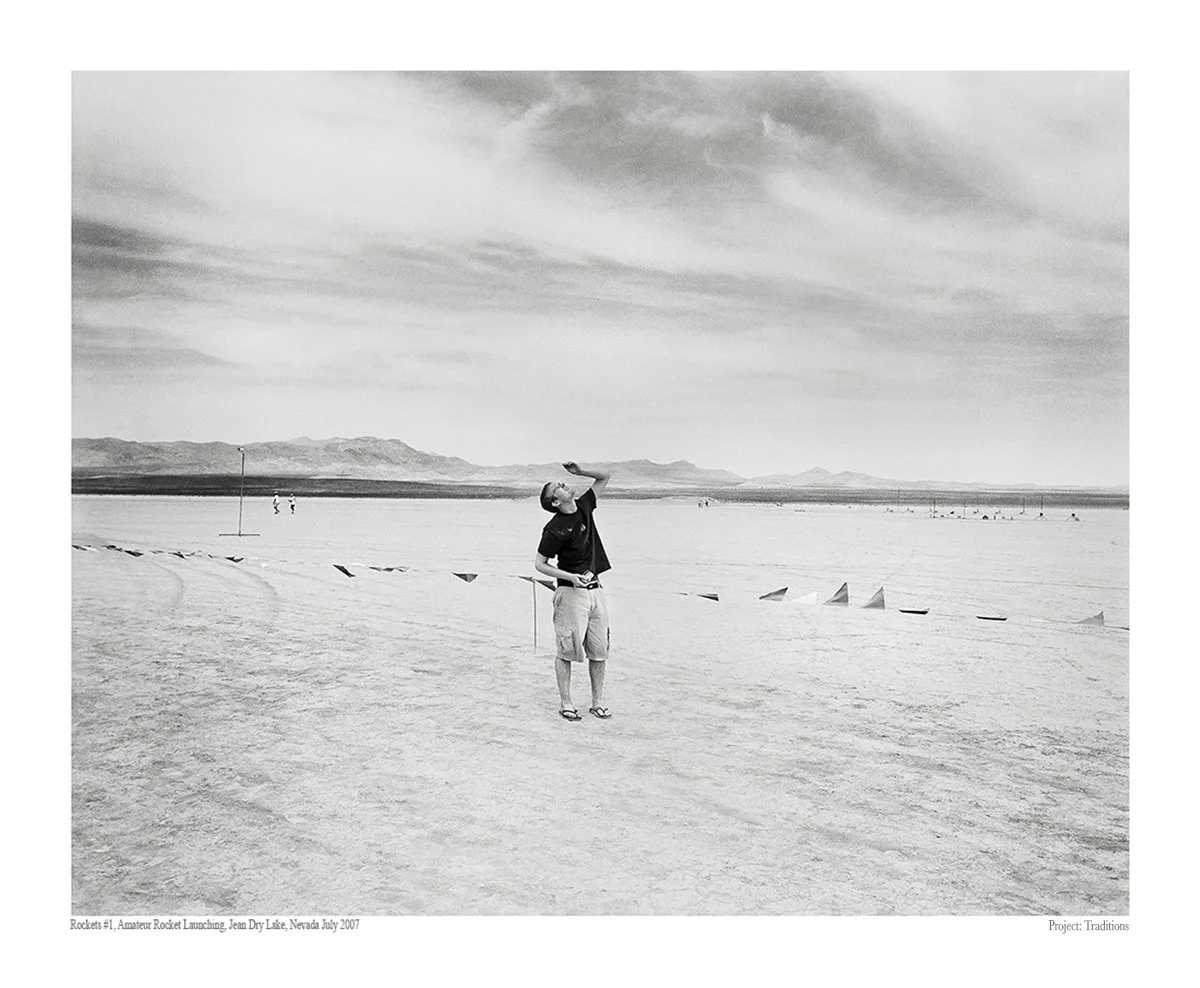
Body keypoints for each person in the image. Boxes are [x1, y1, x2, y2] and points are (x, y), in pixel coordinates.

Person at [534, 461, 613, 721]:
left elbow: (605, 476)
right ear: (555, 502)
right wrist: (570, 577)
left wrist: (581, 472)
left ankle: (597, 703)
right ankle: (566, 703)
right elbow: (540, 564)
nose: (564, 483)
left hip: (596, 590)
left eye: (562, 481)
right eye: (558, 486)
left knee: (599, 651)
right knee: (566, 650)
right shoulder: (554, 528)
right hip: (570, 593)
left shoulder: (585, 505)